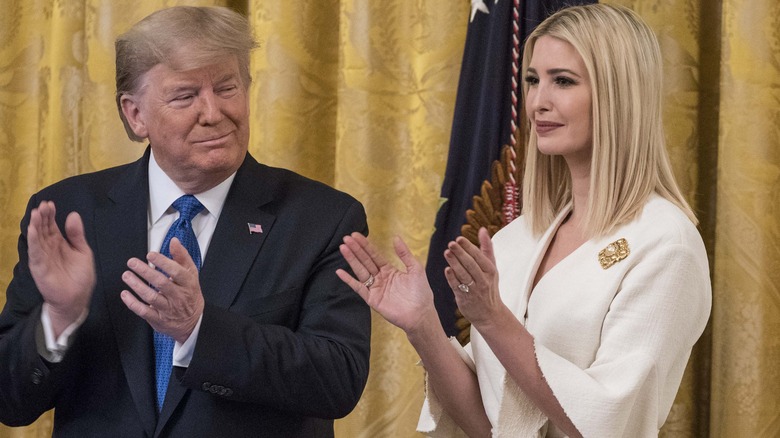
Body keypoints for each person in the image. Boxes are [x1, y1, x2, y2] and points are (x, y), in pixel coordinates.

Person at [336, 4, 711, 437]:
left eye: (563, 81)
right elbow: (488, 424)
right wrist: (423, 325)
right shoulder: (517, 239)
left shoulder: (666, 243)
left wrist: (494, 318)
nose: (537, 102)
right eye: (533, 80)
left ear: (619, 93)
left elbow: (611, 423)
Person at [0, 6, 370, 437]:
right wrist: (58, 318)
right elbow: (11, 399)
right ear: (135, 115)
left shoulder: (320, 218)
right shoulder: (68, 214)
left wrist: (199, 329)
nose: (213, 112)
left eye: (227, 88)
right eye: (185, 95)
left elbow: (337, 380)